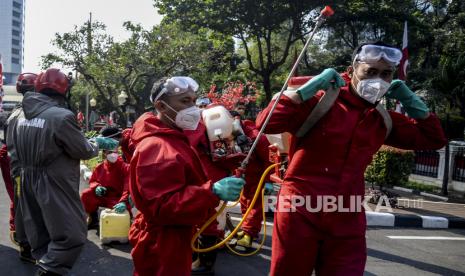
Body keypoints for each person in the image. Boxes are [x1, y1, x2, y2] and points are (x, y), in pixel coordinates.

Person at [256, 41, 447, 275]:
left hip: (348, 215)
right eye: (370, 72)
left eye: (386, 74)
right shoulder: (321, 102)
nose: (377, 80)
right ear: (352, 70)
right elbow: (266, 123)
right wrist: (306, 89)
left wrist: (411, 100)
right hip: (299, 209)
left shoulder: (382, 118)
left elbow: (433, 138)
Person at [128, 76, 245, 276]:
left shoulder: (173, 138)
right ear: (161, 106)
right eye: (184, 101)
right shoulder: (157, 147)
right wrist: (212, 191)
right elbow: (163, 206)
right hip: (163, 241)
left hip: (176, 235)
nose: (194, 108)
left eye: (193, 100)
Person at [7, 68, 114, 276]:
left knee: (40, 234)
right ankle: (49, 270)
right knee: (71, 234)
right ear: (64, 90)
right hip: (53, 181)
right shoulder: (61, 117)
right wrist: (95, 143)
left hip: (27, 178)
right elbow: (82, 150)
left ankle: (45, 264)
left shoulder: (18, 117)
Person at [4, 72, 38, 263]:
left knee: (21, 205)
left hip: (19, 168)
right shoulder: (31, 113)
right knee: (26, 207)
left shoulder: (16, 113)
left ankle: (26, 244)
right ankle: (27, 246)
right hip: (27, 169)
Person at [80, 126, 130, 228]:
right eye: (109, 152)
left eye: (114, 152)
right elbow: (93, 181)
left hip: (118, 198)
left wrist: (123, 201)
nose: (112, 155)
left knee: (123, 212)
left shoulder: (125, 167)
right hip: (103, 196)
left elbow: (127, 187)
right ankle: (92, 217)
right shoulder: (99, 167)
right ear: (104, 154)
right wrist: (97, 187)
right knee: (86, 194)